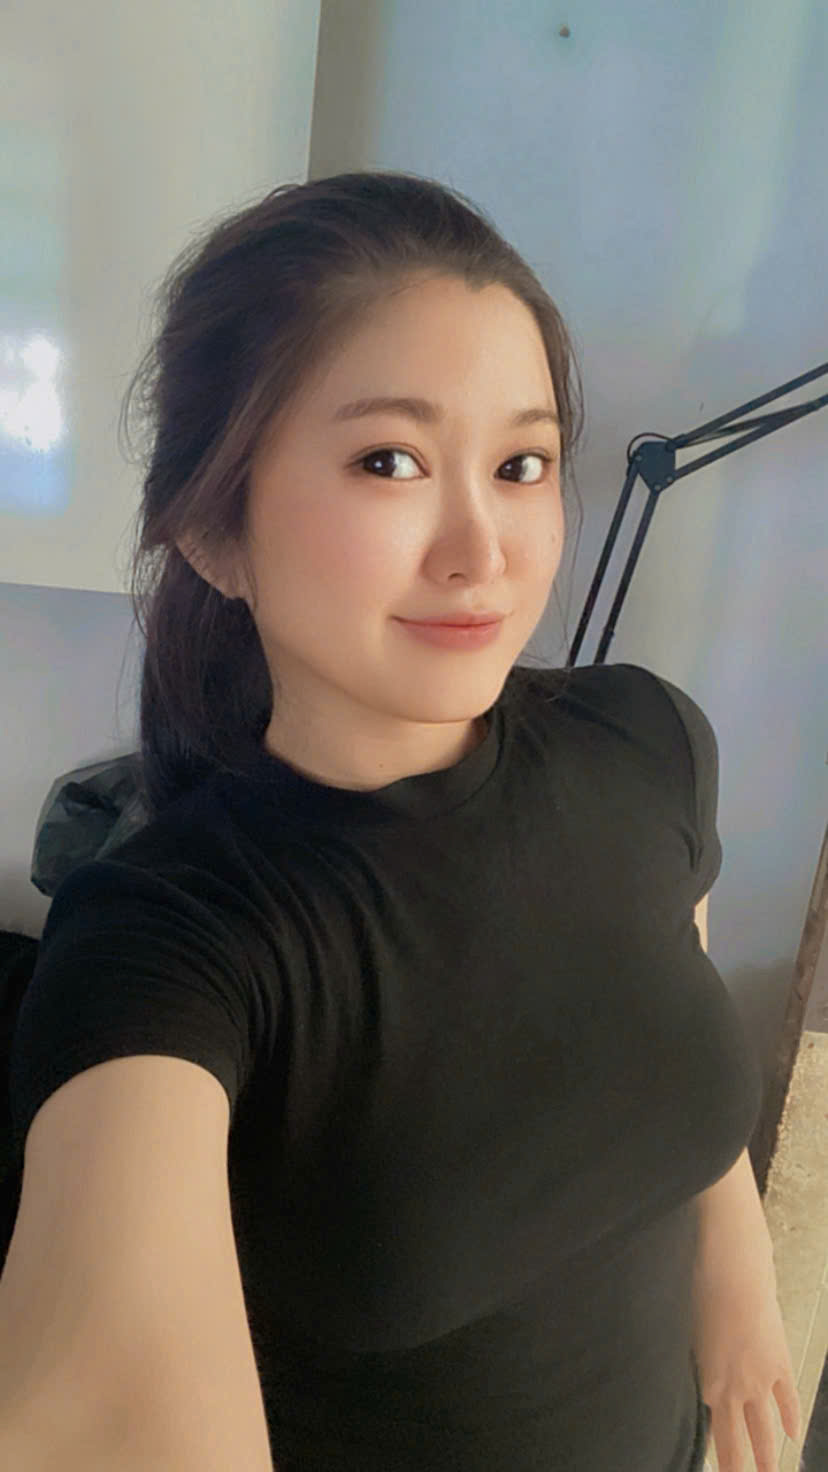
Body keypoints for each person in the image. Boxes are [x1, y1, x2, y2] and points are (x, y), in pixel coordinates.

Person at [6, 171, 761, 1470]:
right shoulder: (167, 941)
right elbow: (90, 1400)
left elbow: (669, 1022)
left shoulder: (647, 742)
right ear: (215, 531)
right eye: (389, 461)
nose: (482, 550)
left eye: (521, 465)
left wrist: (736, 1294)